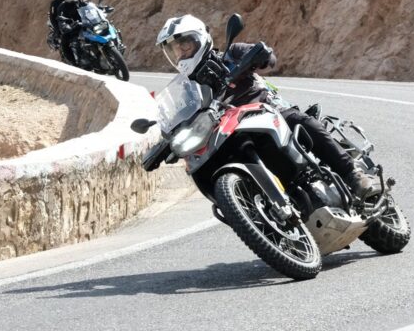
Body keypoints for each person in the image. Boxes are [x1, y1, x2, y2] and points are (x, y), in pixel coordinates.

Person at [156, 15, 382, 199]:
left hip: (266, 110)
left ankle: (353, 174)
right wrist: (165, 138)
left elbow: (268, 58)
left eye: (184, 44)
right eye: (174, 49)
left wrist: (260, 56)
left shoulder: (230, 55)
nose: (181, 53)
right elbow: (180, 115)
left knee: (300, 121)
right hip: (228, 133)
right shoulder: (187, 89)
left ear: (199, 39)